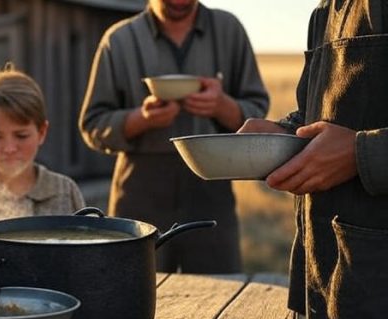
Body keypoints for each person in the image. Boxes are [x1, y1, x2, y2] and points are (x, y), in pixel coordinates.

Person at [238, 1, 388, 319]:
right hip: (322, 283)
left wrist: (362, 153)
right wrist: (284, 135)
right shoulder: (327, 9)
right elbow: (320, 119)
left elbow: (353, 140)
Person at [78, 0, 269, 273]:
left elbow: (257, 110)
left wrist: (221, 106)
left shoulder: (229, 30)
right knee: (136, 286)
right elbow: (92, 125)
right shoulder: (119, 40)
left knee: (220, 291)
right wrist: (141, 119)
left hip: (211, 187)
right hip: (140, 188)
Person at [0, 66, 86, 282]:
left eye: (21, 135)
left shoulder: (64, 190)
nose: (9, 147)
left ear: (42, 132)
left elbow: (85, 259)